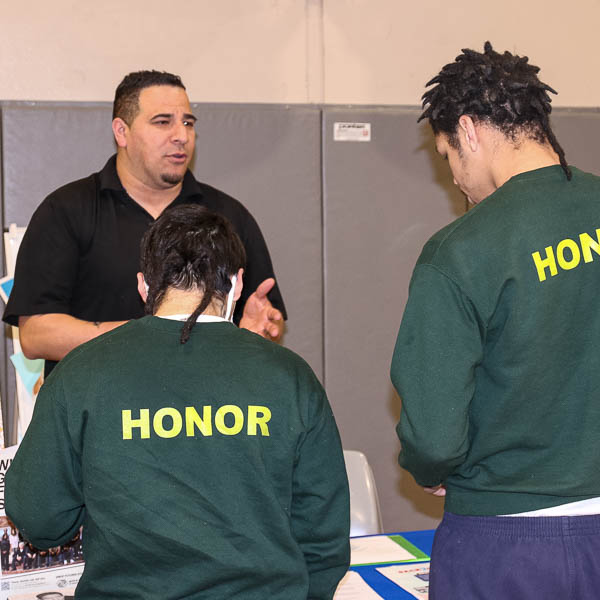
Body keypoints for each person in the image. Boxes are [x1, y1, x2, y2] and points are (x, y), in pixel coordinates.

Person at [5, 205, 350, 599]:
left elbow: (37, 515)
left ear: (143, 286)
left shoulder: (81, 372)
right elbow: (324, 538)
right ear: (237, 285)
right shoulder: (290, 376)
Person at [391, 42, 600, 599]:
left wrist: (432, 464)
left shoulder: (461, 251)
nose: (456, 178)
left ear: (470, 131)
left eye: (448, 156)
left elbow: (433, 434)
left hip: (510, 537)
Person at [3, 70, 286, 377]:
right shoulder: (66, 211)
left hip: (203, 415)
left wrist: (253, 331)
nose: (181, 135)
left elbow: (265, 321)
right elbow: (35, 335)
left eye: (188, 123)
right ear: (121, 131)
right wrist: (150, 335)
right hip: (100, 411)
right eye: (163, 122)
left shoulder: (227, 216)